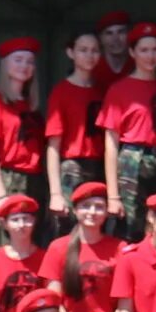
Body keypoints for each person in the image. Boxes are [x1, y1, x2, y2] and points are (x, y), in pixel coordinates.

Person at [99, 23, 156, 237]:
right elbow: (111, 144)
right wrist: (113, 195)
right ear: (132, 52)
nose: (150, 56)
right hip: (132, 162)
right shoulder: (119, 89)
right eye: (144, 50)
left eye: (155, 50)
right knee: (131, 229)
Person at [43, 181, 129, 312]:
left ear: (106, 212)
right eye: (86, 206)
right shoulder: (58, 247)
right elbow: (53, 300)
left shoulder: (120, 248)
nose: (92, 212)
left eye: (99, 207)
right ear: (75, 210)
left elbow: (124, 303)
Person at [0, 37, 46, 232]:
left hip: (34, 179)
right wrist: (0, 196)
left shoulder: (32, 108)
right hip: (7, 178)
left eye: (29, 61)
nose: (24, 65)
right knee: (6, 242)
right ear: (5, 65)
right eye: (18, 60)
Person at [43, 28, 107, 221]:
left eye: (94, 50)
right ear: (71, 53)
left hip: (98, 166)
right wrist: (55, 193)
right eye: (83, 50)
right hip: (71, 167)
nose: (89, 55)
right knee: (67, 226)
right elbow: (53, 146)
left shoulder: (101, 91)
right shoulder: (61, 92)